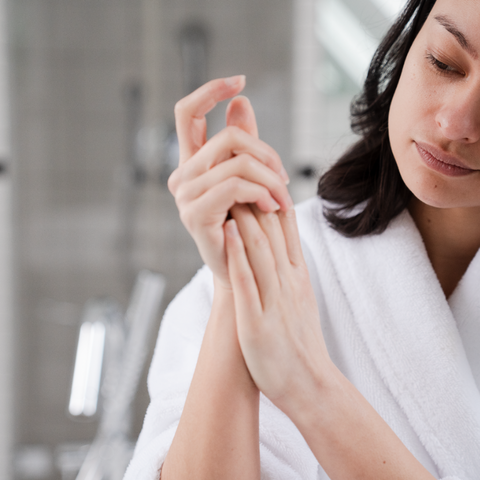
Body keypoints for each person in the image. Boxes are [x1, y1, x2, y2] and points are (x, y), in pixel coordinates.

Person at [123, 0, 480, 478]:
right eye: (443, 63)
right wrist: (239, 285)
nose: (456, 124)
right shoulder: (288, 264)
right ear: (409, 43)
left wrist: (309, 384)